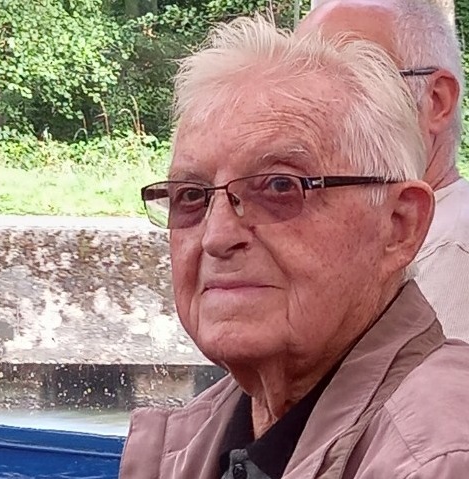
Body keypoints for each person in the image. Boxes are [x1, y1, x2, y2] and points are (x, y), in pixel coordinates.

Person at [120, 16, 469, 479]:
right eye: (190, 196)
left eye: (280, 186)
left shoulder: (438, 457)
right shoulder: (193, 441)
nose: (216, 237)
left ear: (398, 226)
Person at [296, 0, 469, 341]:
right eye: (297, 87)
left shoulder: (451, 253)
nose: (310, 111)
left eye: (355, 82)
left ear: (436, 101)